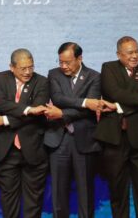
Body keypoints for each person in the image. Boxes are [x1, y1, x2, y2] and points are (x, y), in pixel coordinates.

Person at [93, 36, 138, 218]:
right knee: (117, 186)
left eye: (137, 51)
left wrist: (118, 106)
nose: (135, 55)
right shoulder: (108, 68)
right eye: (130, 52)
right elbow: (113, 92)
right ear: (119, 54)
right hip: (115, 137)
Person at [0, 48, 50, 218]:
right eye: (23, 68)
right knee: (9, 198)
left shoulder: (42, 82)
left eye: (31, 67)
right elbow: (1, 104)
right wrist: (29, 109)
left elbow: (38, 112)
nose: (28, 72)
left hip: (33, 148)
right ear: (12, 67)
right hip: (5, 148)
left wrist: (5, 120)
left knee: (34, 199)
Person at [43, 42, 102, 218]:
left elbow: (90, 108)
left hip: (84, 140)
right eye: (61, 62)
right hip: (58, 139)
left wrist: (61, 113)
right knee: (58, 192)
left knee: (85, 191)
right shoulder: (54, 74)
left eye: (68, 62)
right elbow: (58, 98)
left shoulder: (94, 76)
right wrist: (84, 102)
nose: (63, 66)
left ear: (79, 58)